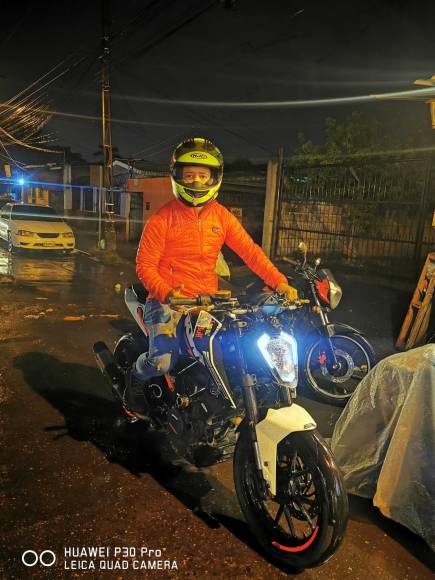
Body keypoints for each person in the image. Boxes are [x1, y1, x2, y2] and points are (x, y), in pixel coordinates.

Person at [123, 137, 298, 414]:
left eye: (202, 176)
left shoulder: (222, 217)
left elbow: (251, 253)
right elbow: (145, 265)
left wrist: (279, 282)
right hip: (168, 301)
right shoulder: (162, 218)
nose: (196, 182)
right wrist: (167, 292)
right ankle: (134, 377)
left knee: (235, 351)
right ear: (178, 176)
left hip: (207, 301)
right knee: (162, 362)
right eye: (189, 175)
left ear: (214, 178)